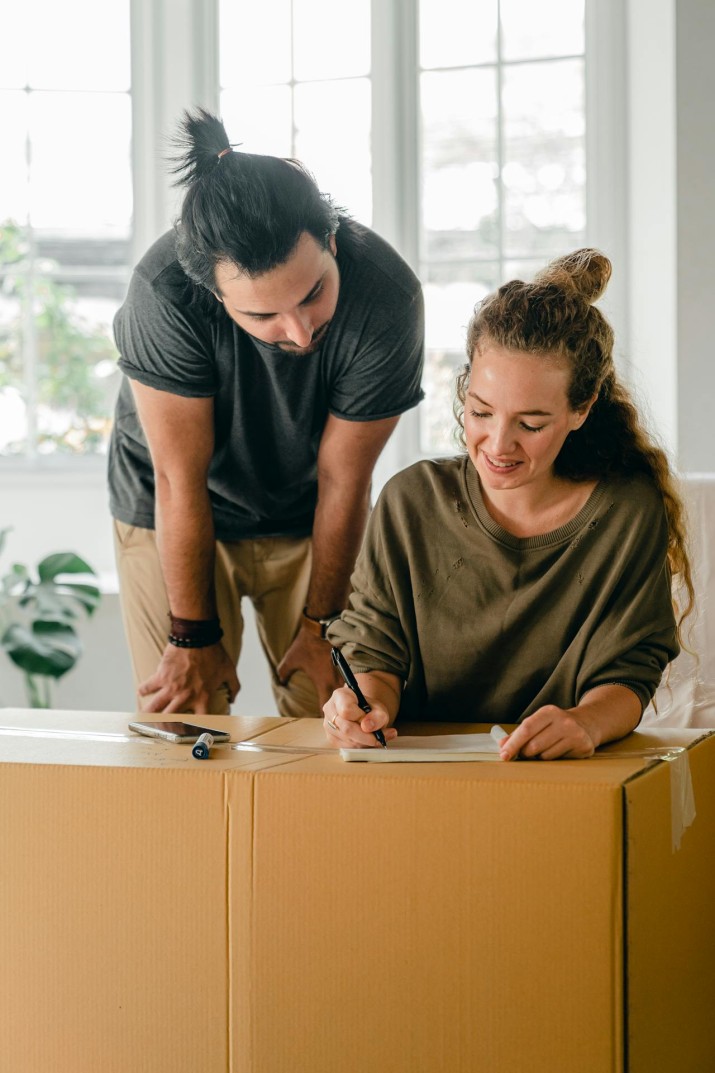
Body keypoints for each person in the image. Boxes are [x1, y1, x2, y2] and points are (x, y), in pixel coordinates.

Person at [108, 108, 424, 718]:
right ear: (213, 293)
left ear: (330, 242)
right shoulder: (162, 294)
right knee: (184, 718)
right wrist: (192, 636)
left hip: (313, 509)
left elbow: (345, 478)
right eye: (263, 317)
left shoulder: (388, 296)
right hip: (171, 503)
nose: (301, 333)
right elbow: (179, 479)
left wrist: (322, 625)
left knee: (336, 717)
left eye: (313, 294)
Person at [323, 248, 694, 760]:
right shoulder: (410, 501)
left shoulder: (626, 512)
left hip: (562, 774)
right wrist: (365, 706)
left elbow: (631, 667)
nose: (498, 445)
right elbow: (374, 649)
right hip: (420, 771)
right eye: (480, 412)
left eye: (531, 424)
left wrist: (585, 723)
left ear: (581, 409)